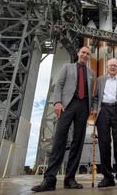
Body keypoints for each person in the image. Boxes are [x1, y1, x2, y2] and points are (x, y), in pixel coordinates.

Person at [32, 46, 94, 192]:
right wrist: (58, 102)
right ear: (78, 54)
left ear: (89, 57)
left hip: (83, 108)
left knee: (77, 143)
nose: (85, 55)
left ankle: (70, 179)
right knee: (59, 140)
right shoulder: (67, 67)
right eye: (83, 52)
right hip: (67, 105)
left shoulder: (91, 73)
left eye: (87, 53)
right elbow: (59, 85)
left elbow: (92, 93)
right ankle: (49, 180)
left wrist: (91, 108)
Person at [92, 58, 117, 188]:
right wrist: (94, 109)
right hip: (103, 111)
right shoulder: (100, 80)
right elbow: (96, 97)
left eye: (115, 65)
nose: (113, 67)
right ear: (107, 67)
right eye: (111, 65)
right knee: (104, 144)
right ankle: (107, 177)